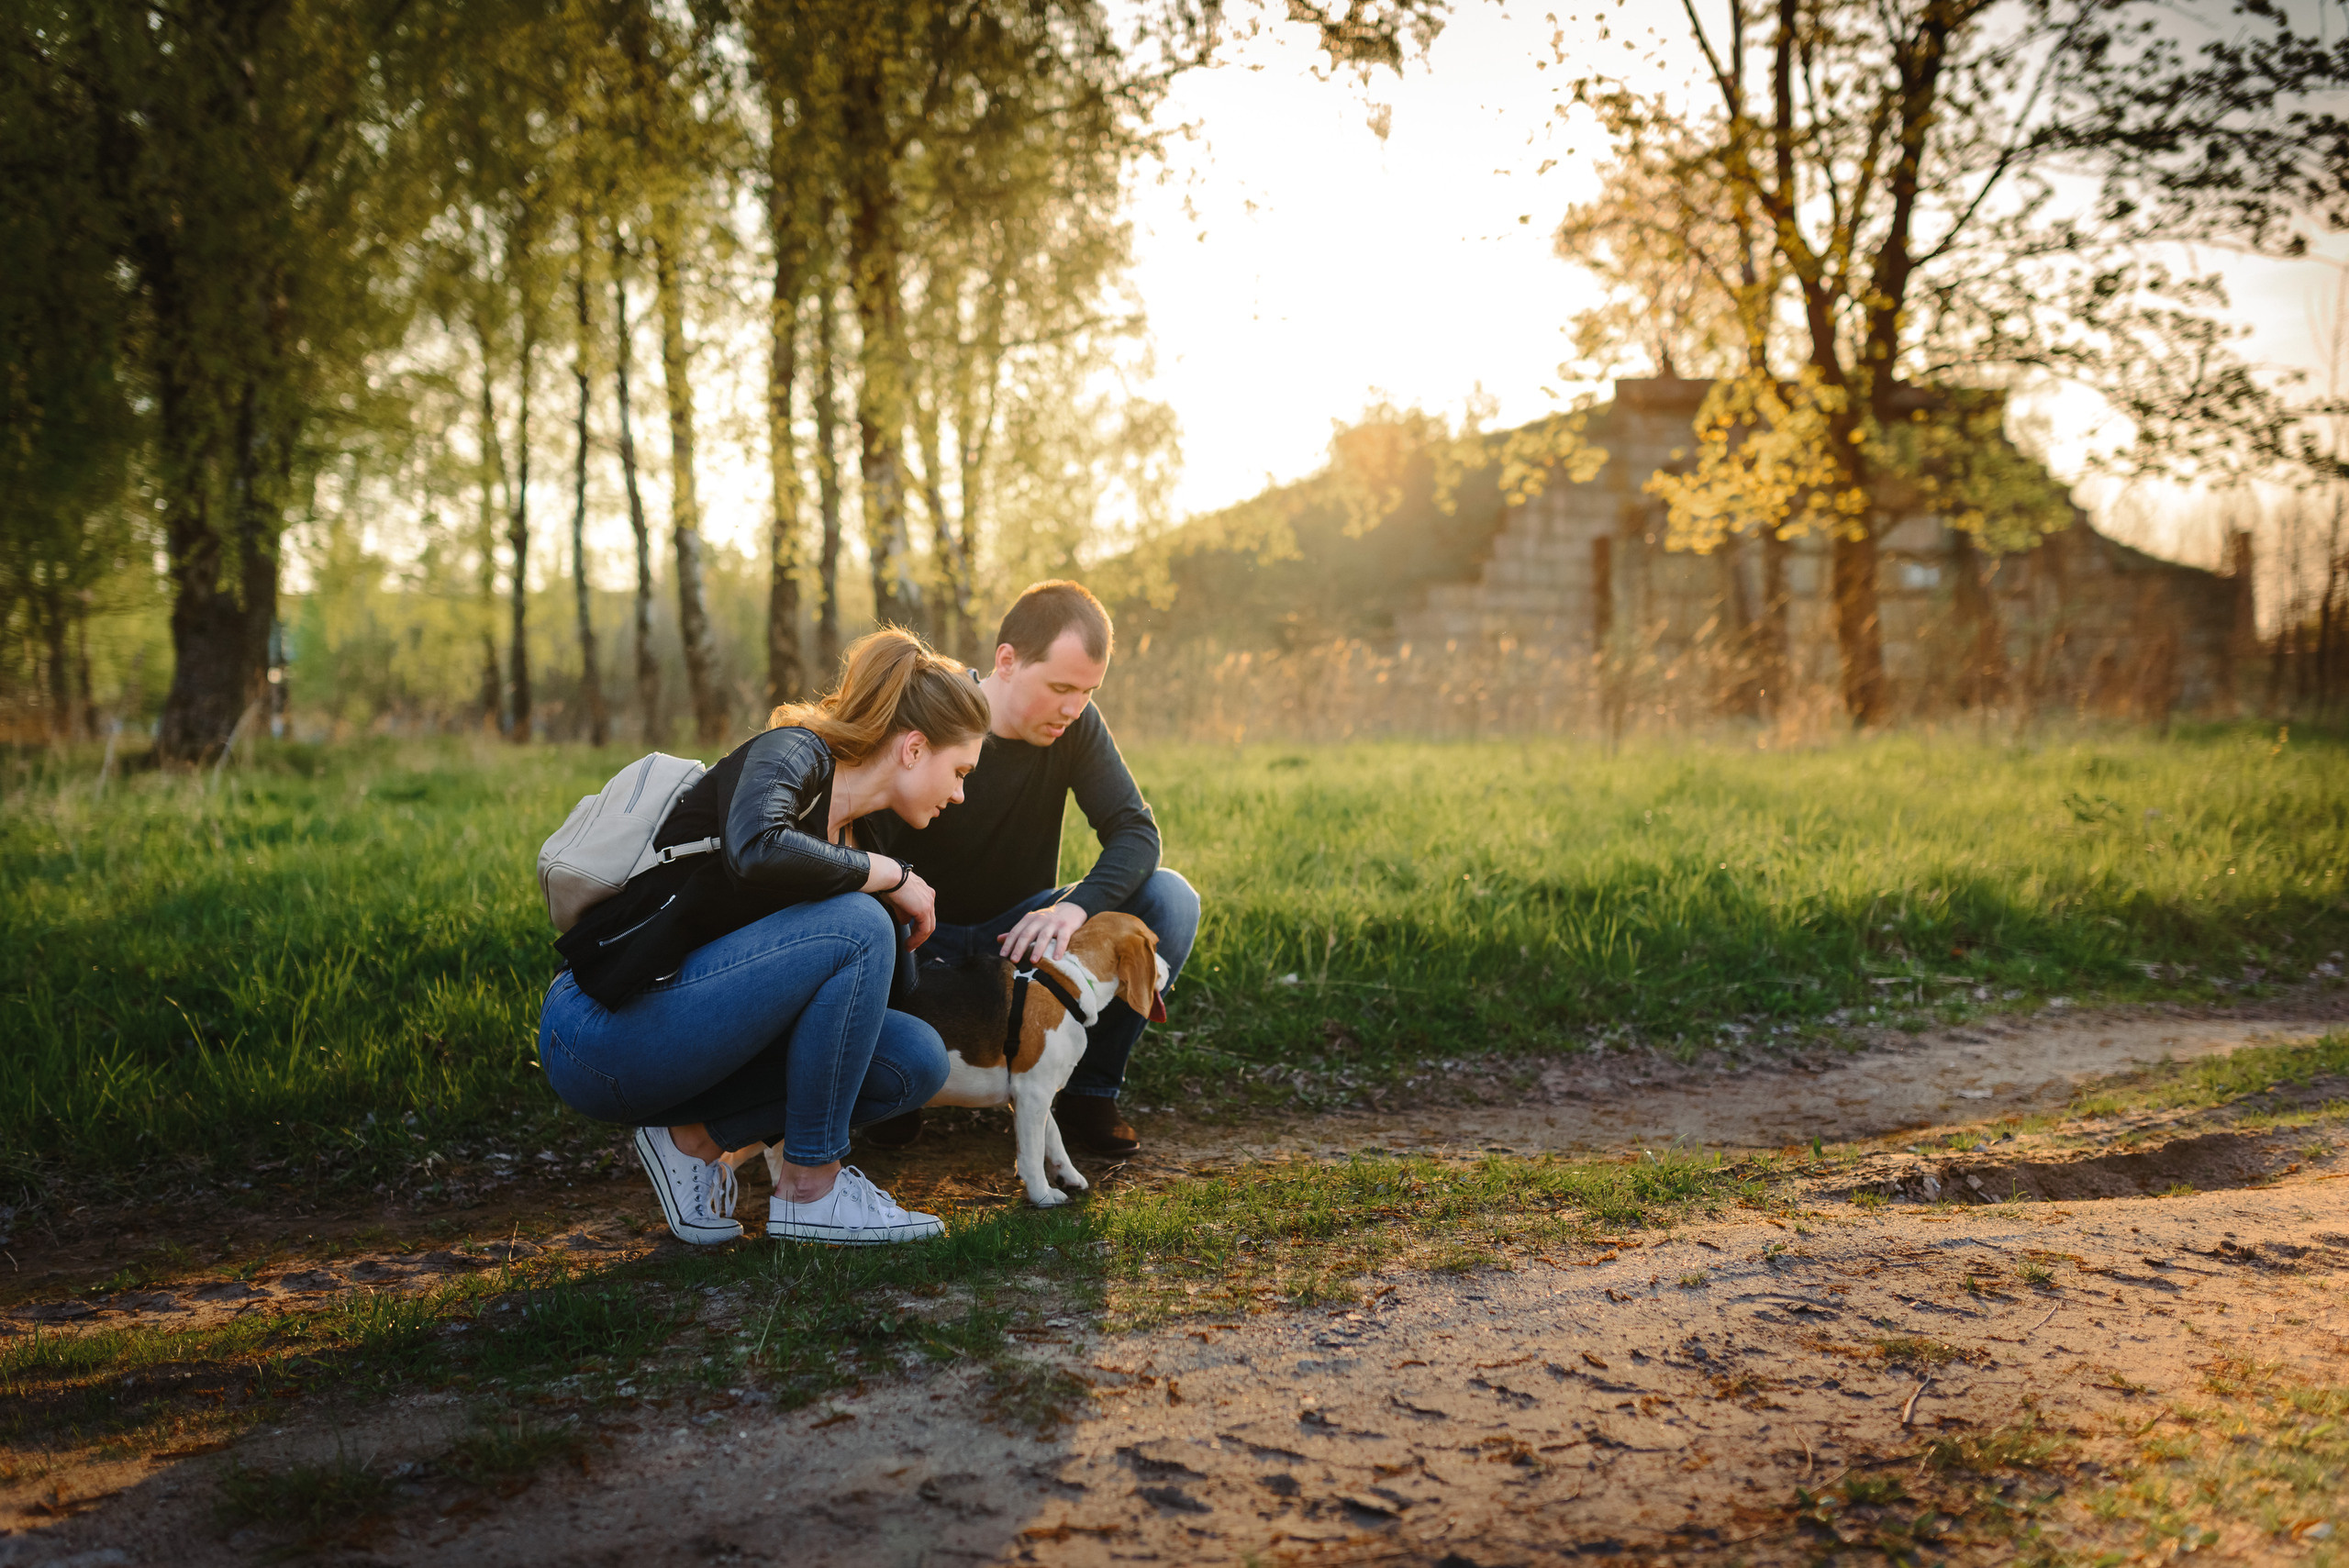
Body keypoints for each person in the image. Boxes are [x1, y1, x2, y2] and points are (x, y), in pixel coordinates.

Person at [536, 629, 991, 1246]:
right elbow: (757, 846)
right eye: (959, 771)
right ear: (913, 748)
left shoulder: (864, 838)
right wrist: (886, 879)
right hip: (599, 1030)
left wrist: (888, 897)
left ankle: (691, 1141)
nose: (960, 794)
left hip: (693, 1039)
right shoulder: (792, 753)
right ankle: (811, 1191)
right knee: (857, 923)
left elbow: (867, 1006)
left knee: (914, 1057)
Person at [862, 581, 1200, 1157]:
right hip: (917, 933)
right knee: (861, 915)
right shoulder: (934, 713)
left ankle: (1087, 1092)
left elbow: (1136, 833)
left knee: (1170, 899)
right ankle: (897, 1082)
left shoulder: (1077, 728)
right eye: (1061, 688)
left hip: (1020, 935)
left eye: (1088, 691)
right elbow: (863, 838)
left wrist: (1073, 908)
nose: (1074, 707)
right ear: (1007, 661)